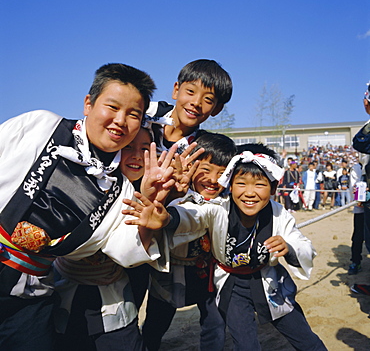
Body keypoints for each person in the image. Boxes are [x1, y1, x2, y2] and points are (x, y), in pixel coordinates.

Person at [0, 63, 163, 350]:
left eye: (133, 114)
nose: (120, 121)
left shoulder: (121, 189)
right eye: (112, 107)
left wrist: (150, 212)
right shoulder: (42, 126)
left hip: (30, 299)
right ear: (88, 104)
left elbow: (124, 251)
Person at [124, 143, 327, 351]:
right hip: (232, 286)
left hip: (269, 280)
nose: (249, 193)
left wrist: (288, 246)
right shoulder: (218, 209)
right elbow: (193, 216)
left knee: (304, 337)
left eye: (259, 185)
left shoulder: (279, 213)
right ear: (230, 185)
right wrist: (167, 218)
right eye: (241, 183)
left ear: (274, 188)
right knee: (245, 343)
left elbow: (302, 243)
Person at [142, 131, 236, 351]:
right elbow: (177, 215)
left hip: (207, 273)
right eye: (205, 170)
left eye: (222, 174)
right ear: (190, 166)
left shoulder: (226, 202)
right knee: (157, 320)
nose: (213, 180)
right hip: (169, 273)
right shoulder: (176, 193)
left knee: (215, 320)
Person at [146, 59, 233, 154]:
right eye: (191, 91)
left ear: (217, 109)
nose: (196, 103)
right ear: (176, 91)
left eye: (208, 99)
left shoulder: (201, 150)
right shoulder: (146, 112)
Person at [350, 81, 370, 294]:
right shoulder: (358, 165)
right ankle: (355, 260)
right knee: (360, 235)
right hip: (364, 200)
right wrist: (360, 197)